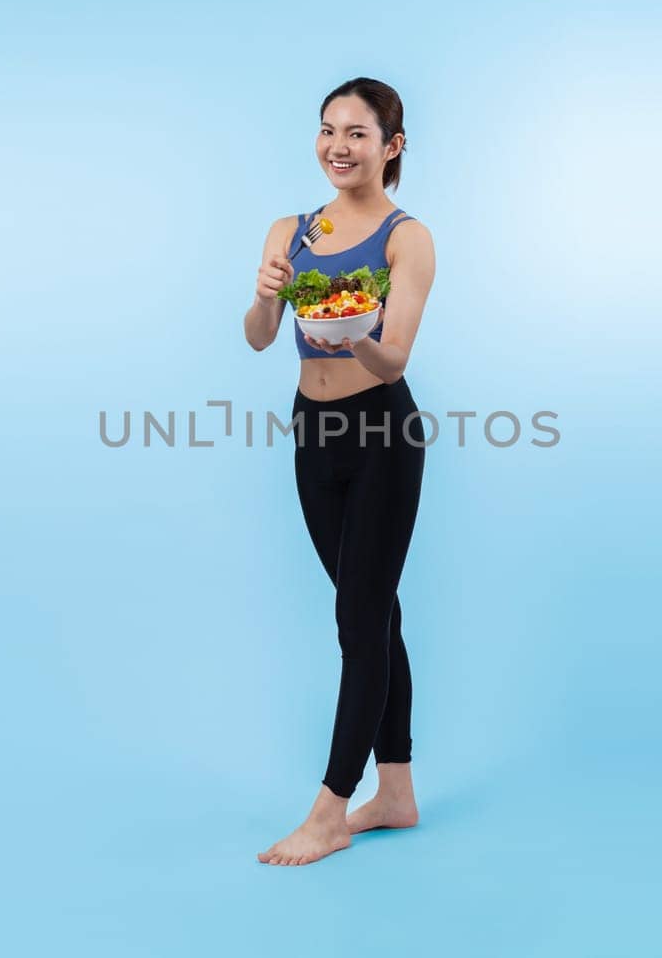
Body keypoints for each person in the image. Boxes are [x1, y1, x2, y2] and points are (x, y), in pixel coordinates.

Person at [242, 77, 437, 867]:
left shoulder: (406, 238)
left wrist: (356, 331)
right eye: (328, 130)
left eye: (358, 133)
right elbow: (260, 338)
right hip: (311, 431)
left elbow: (393, 359)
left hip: (383, 433)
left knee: (357, 621)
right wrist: (266, 299)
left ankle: (330, 808)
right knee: (374, 612)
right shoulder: (290, 230)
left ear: (391, 147)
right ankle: (395, 792)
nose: (338, 147)